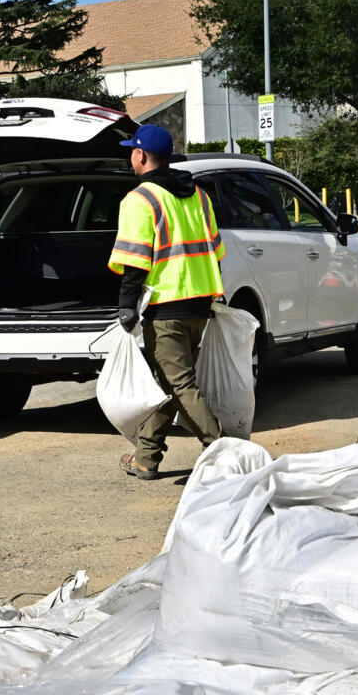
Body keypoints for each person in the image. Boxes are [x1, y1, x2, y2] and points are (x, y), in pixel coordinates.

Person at [107, 124, 227, 480]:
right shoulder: (199, 196)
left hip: (166, 305)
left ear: (141, 156)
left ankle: (223, 454)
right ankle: (146, 456)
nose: (130, 156)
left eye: (132, 150)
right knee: (168, 381)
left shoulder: (140, 199)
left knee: (180, 384)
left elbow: (134, 259)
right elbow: (216, 250)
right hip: (200, 302)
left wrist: (127, 305)